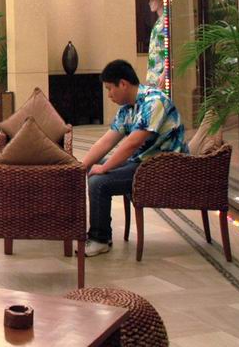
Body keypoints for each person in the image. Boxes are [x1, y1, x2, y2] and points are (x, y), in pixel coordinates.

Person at [80, 59, 187, 257]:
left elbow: (133, 143)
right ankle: (102, 234)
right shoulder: (127, 109)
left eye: (110, 89)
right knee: (93, 168)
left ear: (123, 84)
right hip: (145, 164)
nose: (109, 95)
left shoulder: (154, 102)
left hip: (165, 168)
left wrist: (104, 169)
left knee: (99, 181)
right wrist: (80, 168)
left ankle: (99, 239)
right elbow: (106, 142)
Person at [144, 0, 167, 89]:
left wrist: (165, 73)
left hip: (161, 75)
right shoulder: (159, 21)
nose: (150, 3)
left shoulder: (166, 21)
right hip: (154, 75)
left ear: (161, 0)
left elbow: (172, 48)